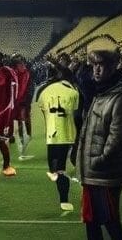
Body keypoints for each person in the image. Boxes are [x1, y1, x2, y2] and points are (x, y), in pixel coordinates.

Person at [77, 48, 122, 240]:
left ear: (112, 68)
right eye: (94, 65)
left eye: (101, 65)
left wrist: (97, 162)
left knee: (110, 222)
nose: (97, 70)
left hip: (104, 174)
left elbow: (116, 139)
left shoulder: (120, 97)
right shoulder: (101, 93)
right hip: (93, 174)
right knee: (92, 222)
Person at [35, 62, 81, 213]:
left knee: (54, 167)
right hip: (67, 134)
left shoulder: (46, 90)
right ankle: (64, 199)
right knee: (60, 168)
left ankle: (58, 180)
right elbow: (76, 114)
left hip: (51, 133)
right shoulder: (74, 92)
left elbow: (42, 108)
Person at [12, 55, 34, 160]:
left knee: (25, 120)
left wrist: (28, 100)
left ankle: (28, 136)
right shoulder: (13, 74)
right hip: (17, 102)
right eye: (19, 64)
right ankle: (21, 142)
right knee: (19, 122)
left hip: (23, 101)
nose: (22, 65)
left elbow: (30, 88)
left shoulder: (27, 74)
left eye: (22, 64)